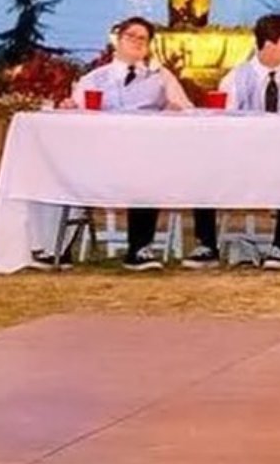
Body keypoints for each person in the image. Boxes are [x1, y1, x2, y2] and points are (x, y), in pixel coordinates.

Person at [66, 16, 219, 272]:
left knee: (186, 169)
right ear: (117, 40)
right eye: (131, 36)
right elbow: (78, 116)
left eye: (143, 39)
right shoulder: (94, 79)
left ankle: (143, 248)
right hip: (105, 156)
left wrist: (174, 109)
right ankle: (58, 247)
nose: (137, 42)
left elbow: (187, 111)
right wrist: (71, 107)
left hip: (148, 155)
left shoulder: (160, 77)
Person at [217, 13, 280, 268]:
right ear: (269, 43)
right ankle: (207, 245)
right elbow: (224, 124)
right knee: (205, 174)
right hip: (245, 159)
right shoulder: (235, 78)